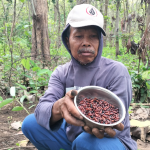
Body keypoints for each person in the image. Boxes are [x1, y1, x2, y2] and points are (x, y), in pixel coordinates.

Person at [22, 4, 137, 150]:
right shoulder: (61, 73)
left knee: (85, 141)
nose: (86, 42)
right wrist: (60, 106)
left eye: (93, 36)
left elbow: (115, 121)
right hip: (72, 135)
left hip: (109, 141)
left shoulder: (116, 71)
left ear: (99, 41)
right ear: (67, 40)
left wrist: (98, 122)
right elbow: (41, 110)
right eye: (78, 36)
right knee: (30, 124)